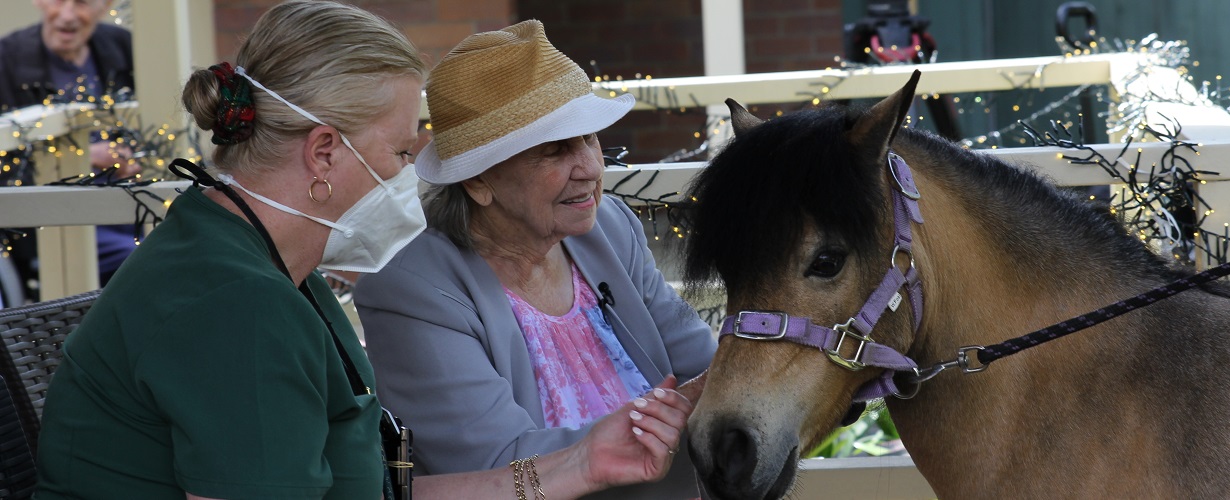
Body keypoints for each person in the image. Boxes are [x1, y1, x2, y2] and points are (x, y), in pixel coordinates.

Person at [35, 2, 691, 499]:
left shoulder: (264, 266)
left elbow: (379, 488)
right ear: (324, 154)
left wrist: (580, 462)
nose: (418, 181)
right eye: (404, 154)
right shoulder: (237, 306)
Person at [353, 20, 717, 499]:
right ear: (478, 181)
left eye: (590, 139)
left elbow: (702, 367)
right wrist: (669, 415)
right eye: (554, 151)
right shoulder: (411, 284)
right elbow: (496, 466)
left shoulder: (607, 228)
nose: (589, 168)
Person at [0, 0, 141, 298]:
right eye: (58, 0)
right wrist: (83, 157)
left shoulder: (119, 45)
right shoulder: (8, 57)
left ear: (105, 6)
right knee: (145, 261)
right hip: (54, 219)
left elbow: (150, 125)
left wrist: (133, 156)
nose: (67, 15)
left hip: (129, 204)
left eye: (81, 3)